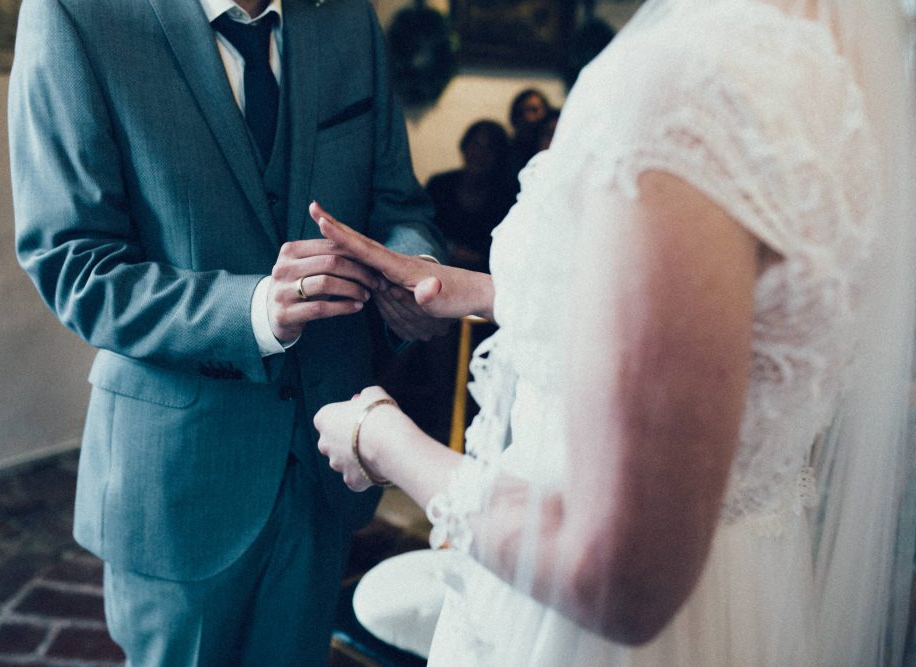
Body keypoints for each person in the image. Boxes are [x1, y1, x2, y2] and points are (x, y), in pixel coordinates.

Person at [311, 0, 916, 664]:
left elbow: (616, 574)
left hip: (588, 626)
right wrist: (483, 291)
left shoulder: (683, 85)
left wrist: (384, 440)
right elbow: (720, 319)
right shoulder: (829, 76)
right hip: (744, 588)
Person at [8, 0, 446, 663]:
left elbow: (399, 205)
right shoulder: (76, 14)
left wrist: (418, 274)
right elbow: (72, 262)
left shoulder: (347, 17)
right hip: (179, 480)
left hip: (325, 465)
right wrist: (253, 311)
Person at [426, 119, 517, 273]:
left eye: (490, 148)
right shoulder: (439, 185)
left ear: (499, 156)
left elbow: (509, 248)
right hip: (438, 268)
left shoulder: (506, 195)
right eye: (476, 145)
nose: (480, 154)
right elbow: (424, 229)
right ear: (464, 147)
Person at [508, 88, 552, 176]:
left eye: (534, 110)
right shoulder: (508, 153)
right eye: (522, 112)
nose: (528, 117)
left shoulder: (554, 148)